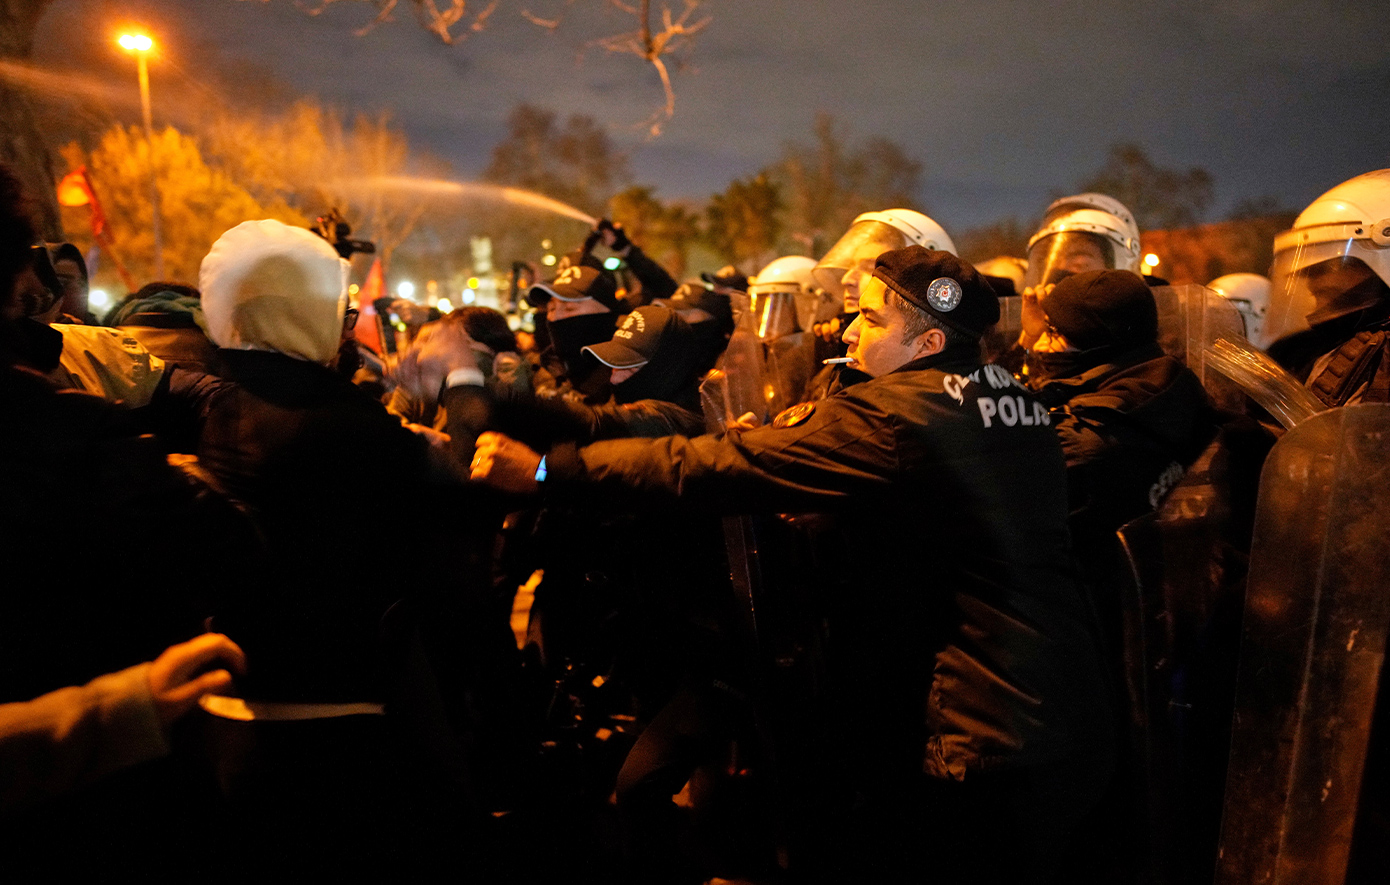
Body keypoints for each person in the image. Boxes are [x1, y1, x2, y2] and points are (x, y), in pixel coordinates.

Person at [412, 246, 1113, 883]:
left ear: (928, 341)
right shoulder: (1012, 398)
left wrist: (543, 472)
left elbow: (714, 466)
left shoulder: (894, 415)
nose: (847, 331)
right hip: (1060, 704)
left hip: (985, 729)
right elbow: (945, 514)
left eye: (869, 319)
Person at [1263, 168, 1390, 404]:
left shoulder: (1379, 358)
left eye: (1328, 266)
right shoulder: (1316, 352)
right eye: (1306, 272)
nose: (1313, 282)